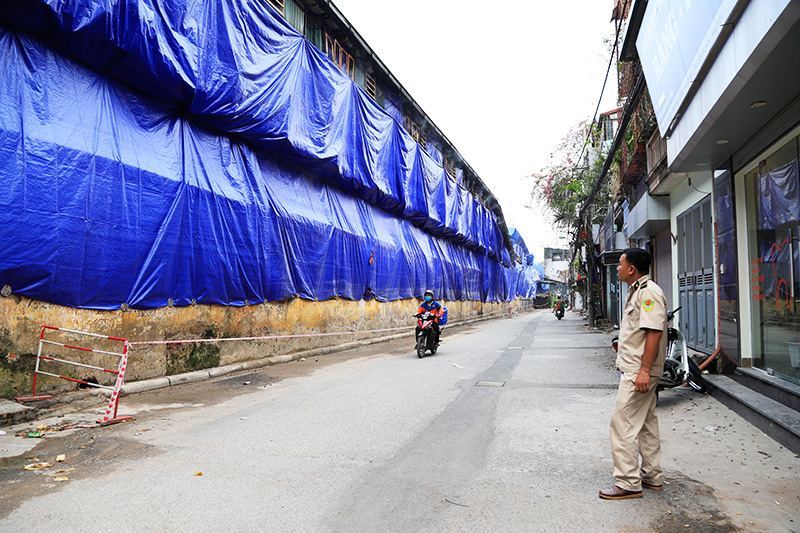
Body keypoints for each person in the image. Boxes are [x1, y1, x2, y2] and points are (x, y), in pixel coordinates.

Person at [599, 247, 668, 500]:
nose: (616, 268)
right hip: (637, 370)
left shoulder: (648, 293)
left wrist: (644, 371)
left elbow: (654, 332)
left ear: (631, 269)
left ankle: (627, 482)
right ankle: (652, 476)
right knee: (646, 423)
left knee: (622, 424)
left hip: (638, 372)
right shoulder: (636, 291)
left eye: (620, 264)